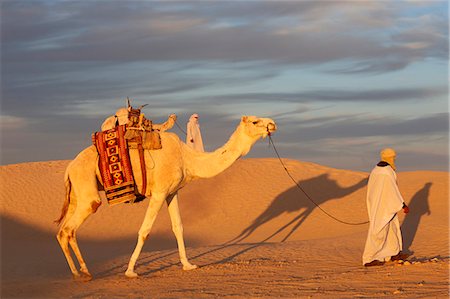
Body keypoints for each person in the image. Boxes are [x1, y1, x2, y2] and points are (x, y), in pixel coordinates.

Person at [362, 148, 410, 267]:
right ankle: (369, 258)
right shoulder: (387, 171)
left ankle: (394, 253)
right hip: (383, 205)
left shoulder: (375, 170)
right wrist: (402, 204)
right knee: (378, 231)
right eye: (393, 157)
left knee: (392, 229)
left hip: (382, 203)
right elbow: (393, 189)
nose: (394, 159)